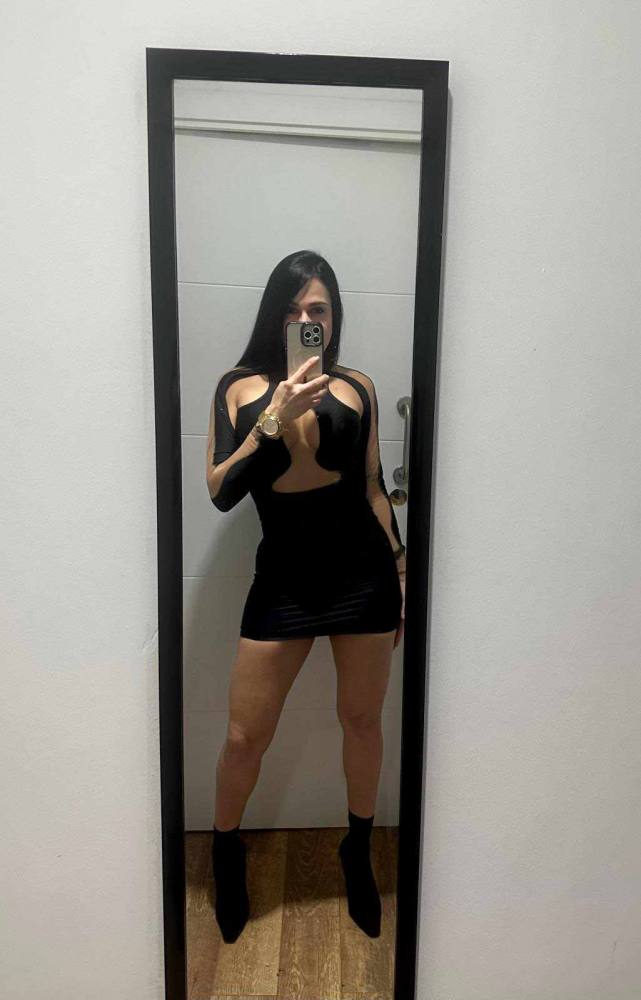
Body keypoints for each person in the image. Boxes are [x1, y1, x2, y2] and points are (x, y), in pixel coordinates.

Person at [205, 250, 406, 943]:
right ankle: (225, 852)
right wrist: (273, 417)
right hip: (283, 581)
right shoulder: (238, 387)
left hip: (363, 576)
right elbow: (220, 490)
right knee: (244, 736)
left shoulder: (358, 386)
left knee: (362, 721)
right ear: (274, 315)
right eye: (292, 309)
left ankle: (357, 849)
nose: (304, 319)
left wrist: (401, 575)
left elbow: (373, 488)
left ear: (334, 317)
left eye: (317, 309)